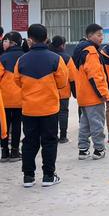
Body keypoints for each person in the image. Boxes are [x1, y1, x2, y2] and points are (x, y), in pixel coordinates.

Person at [14, 24, 68, 188]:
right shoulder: (55, 59)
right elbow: (62, 82)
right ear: (46, 38)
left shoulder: (21, 59)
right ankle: (48, 176)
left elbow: (17, 81)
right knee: (50, 141)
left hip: (29, 109)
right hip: (49, 108)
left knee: (29, 142)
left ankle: (28, 177)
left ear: (30, 39)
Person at [73, 23, 109, 161]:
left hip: (83, 95)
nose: (101, 38)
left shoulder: (79, 50)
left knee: (85, 124)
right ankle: (99, 149)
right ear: (89, 36)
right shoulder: (91, 52)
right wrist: (102, 93)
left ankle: (83, 150)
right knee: (97, 124)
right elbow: (95, 76)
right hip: (93, 96)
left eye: (102, 35)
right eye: (98, 35)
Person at [0, 32, 24, 162]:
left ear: (13, 43)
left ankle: (4, 152)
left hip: (4, 99)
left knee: (4, 125)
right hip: (20, 98)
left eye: (5, 41)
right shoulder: (25, 57)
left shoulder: (2, 58)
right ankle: (15, 152)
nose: (3, 43)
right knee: (16, 125)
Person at [49, 36, 77, 143]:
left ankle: (53, 135)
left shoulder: (48, 56)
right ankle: (63, 136)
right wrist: (75, 93)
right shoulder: (66, 58)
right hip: (64, 91)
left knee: (52, 114)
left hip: (50, 91)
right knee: (63, 113)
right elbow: (73, 77)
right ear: (62, 45)